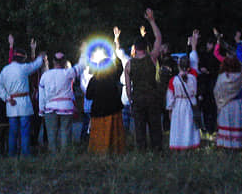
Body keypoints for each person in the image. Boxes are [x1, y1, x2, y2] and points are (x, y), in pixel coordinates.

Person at [0, 39, 45, 157]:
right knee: (25, 132)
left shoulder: (4, 70)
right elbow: (36, 65)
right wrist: (41, 56)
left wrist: (7, 98)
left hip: (11, 104)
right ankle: (25, 155)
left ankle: (12, 155)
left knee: (13, 132)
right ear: (22, 59)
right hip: (24, 104)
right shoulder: (23, 68)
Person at [124, 8, 163, 151]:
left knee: (139, 129)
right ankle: (157, 150)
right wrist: (152, 21)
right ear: (146, 47)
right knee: (155, 127)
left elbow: (128, 87)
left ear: (134, 48)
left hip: (138, 99)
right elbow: (158, 38)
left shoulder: (129, 64)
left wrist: (131, 99)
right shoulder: (152, 58)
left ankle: (141, 151)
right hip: (152, 97)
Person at [38, 51, 84, 154]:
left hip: (50, 107)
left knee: (51, 134)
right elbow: (81, 66)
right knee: (65, 132)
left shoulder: (45, 75)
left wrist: (41, 110)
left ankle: (54, 156)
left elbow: (42, 95)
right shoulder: (68, 73)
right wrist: (83, 53)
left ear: (53, 61)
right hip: (66, 107)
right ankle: (65, 155)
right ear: (64, 62)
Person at [86, 59, 125, 154]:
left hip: (98, 112)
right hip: (113, 112)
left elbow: (88, 96)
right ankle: (115, 151)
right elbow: (120, 68)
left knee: (99, 136)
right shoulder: (114, 78)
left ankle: (98, 151)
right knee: (113, 135)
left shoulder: (94, 80)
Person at [166, 55, 200, 150]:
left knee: (179, 126)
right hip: (190, 104)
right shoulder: (193, 78)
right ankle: (190, 143)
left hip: (179, 105)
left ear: (178, 66)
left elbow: (170, 97)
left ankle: (179, 144)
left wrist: (169, 109)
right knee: (189, 125)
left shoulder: (173, 80)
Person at [213, 56, 242, 150]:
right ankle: (237, 144)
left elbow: (217, 91)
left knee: (226, 124)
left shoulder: (222, 78)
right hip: (237, 103)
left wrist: (219, 103)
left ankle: (226, 144)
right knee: (236, 124)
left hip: (225, 104)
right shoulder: (240, 75)